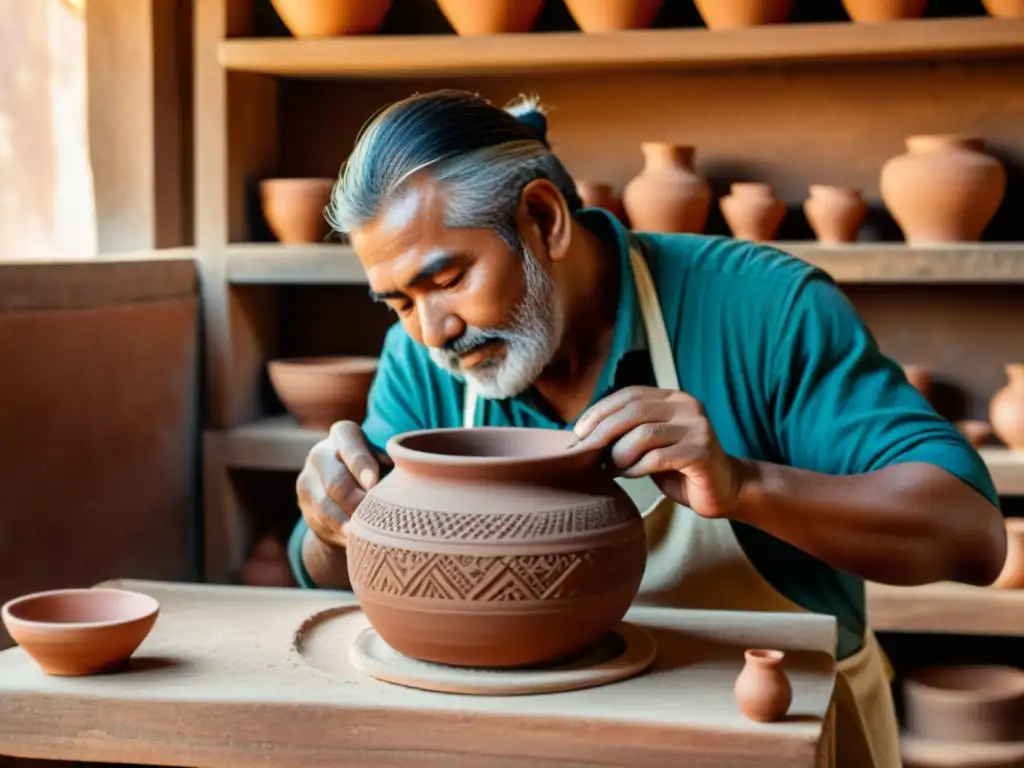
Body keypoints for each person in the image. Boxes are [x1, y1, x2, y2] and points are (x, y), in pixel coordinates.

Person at [288, 89, 1006, 766]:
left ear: (544, 218)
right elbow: (322, 573)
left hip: (775, 737)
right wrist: (328, 525)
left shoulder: (762, 309)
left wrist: (748, 485)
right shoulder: (423, 364)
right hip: (532, 742)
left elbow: (971, 536)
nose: (434, 330)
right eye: (398, 303)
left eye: (448, 280)